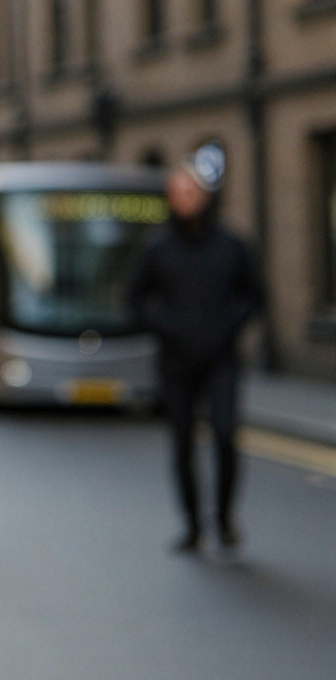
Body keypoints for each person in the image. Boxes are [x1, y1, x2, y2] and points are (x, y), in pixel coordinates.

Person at [126, 146, 265, 554]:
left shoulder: (232, 245)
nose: (183, 198)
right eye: (176, 191)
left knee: (225, 436)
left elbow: (255, 297)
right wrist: (165, 329)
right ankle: (192, 525)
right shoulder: (157, 248)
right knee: (183, 444)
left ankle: (223, 519)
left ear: (204, 195)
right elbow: (135, 300)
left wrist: (229, 330)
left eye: (190, 190)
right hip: (176, 362)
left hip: (221, 359)